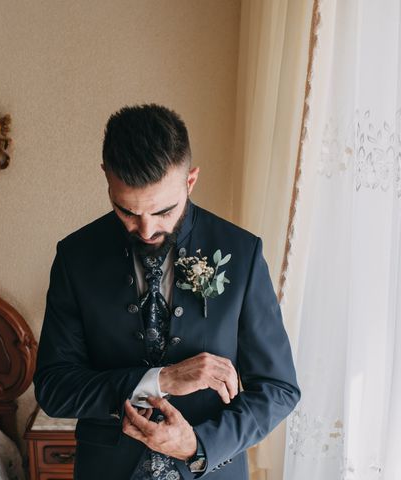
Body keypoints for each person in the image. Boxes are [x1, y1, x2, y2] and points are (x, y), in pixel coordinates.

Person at [34, 104, 300, 480]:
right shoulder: (75, 257)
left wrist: (198, 445)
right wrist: (162, 380)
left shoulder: (241, 253)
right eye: (126, 211)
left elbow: (278, 388)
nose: (145, 230)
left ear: (190, 181)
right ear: (106, 178)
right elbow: (54, 387)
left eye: (163, 211)